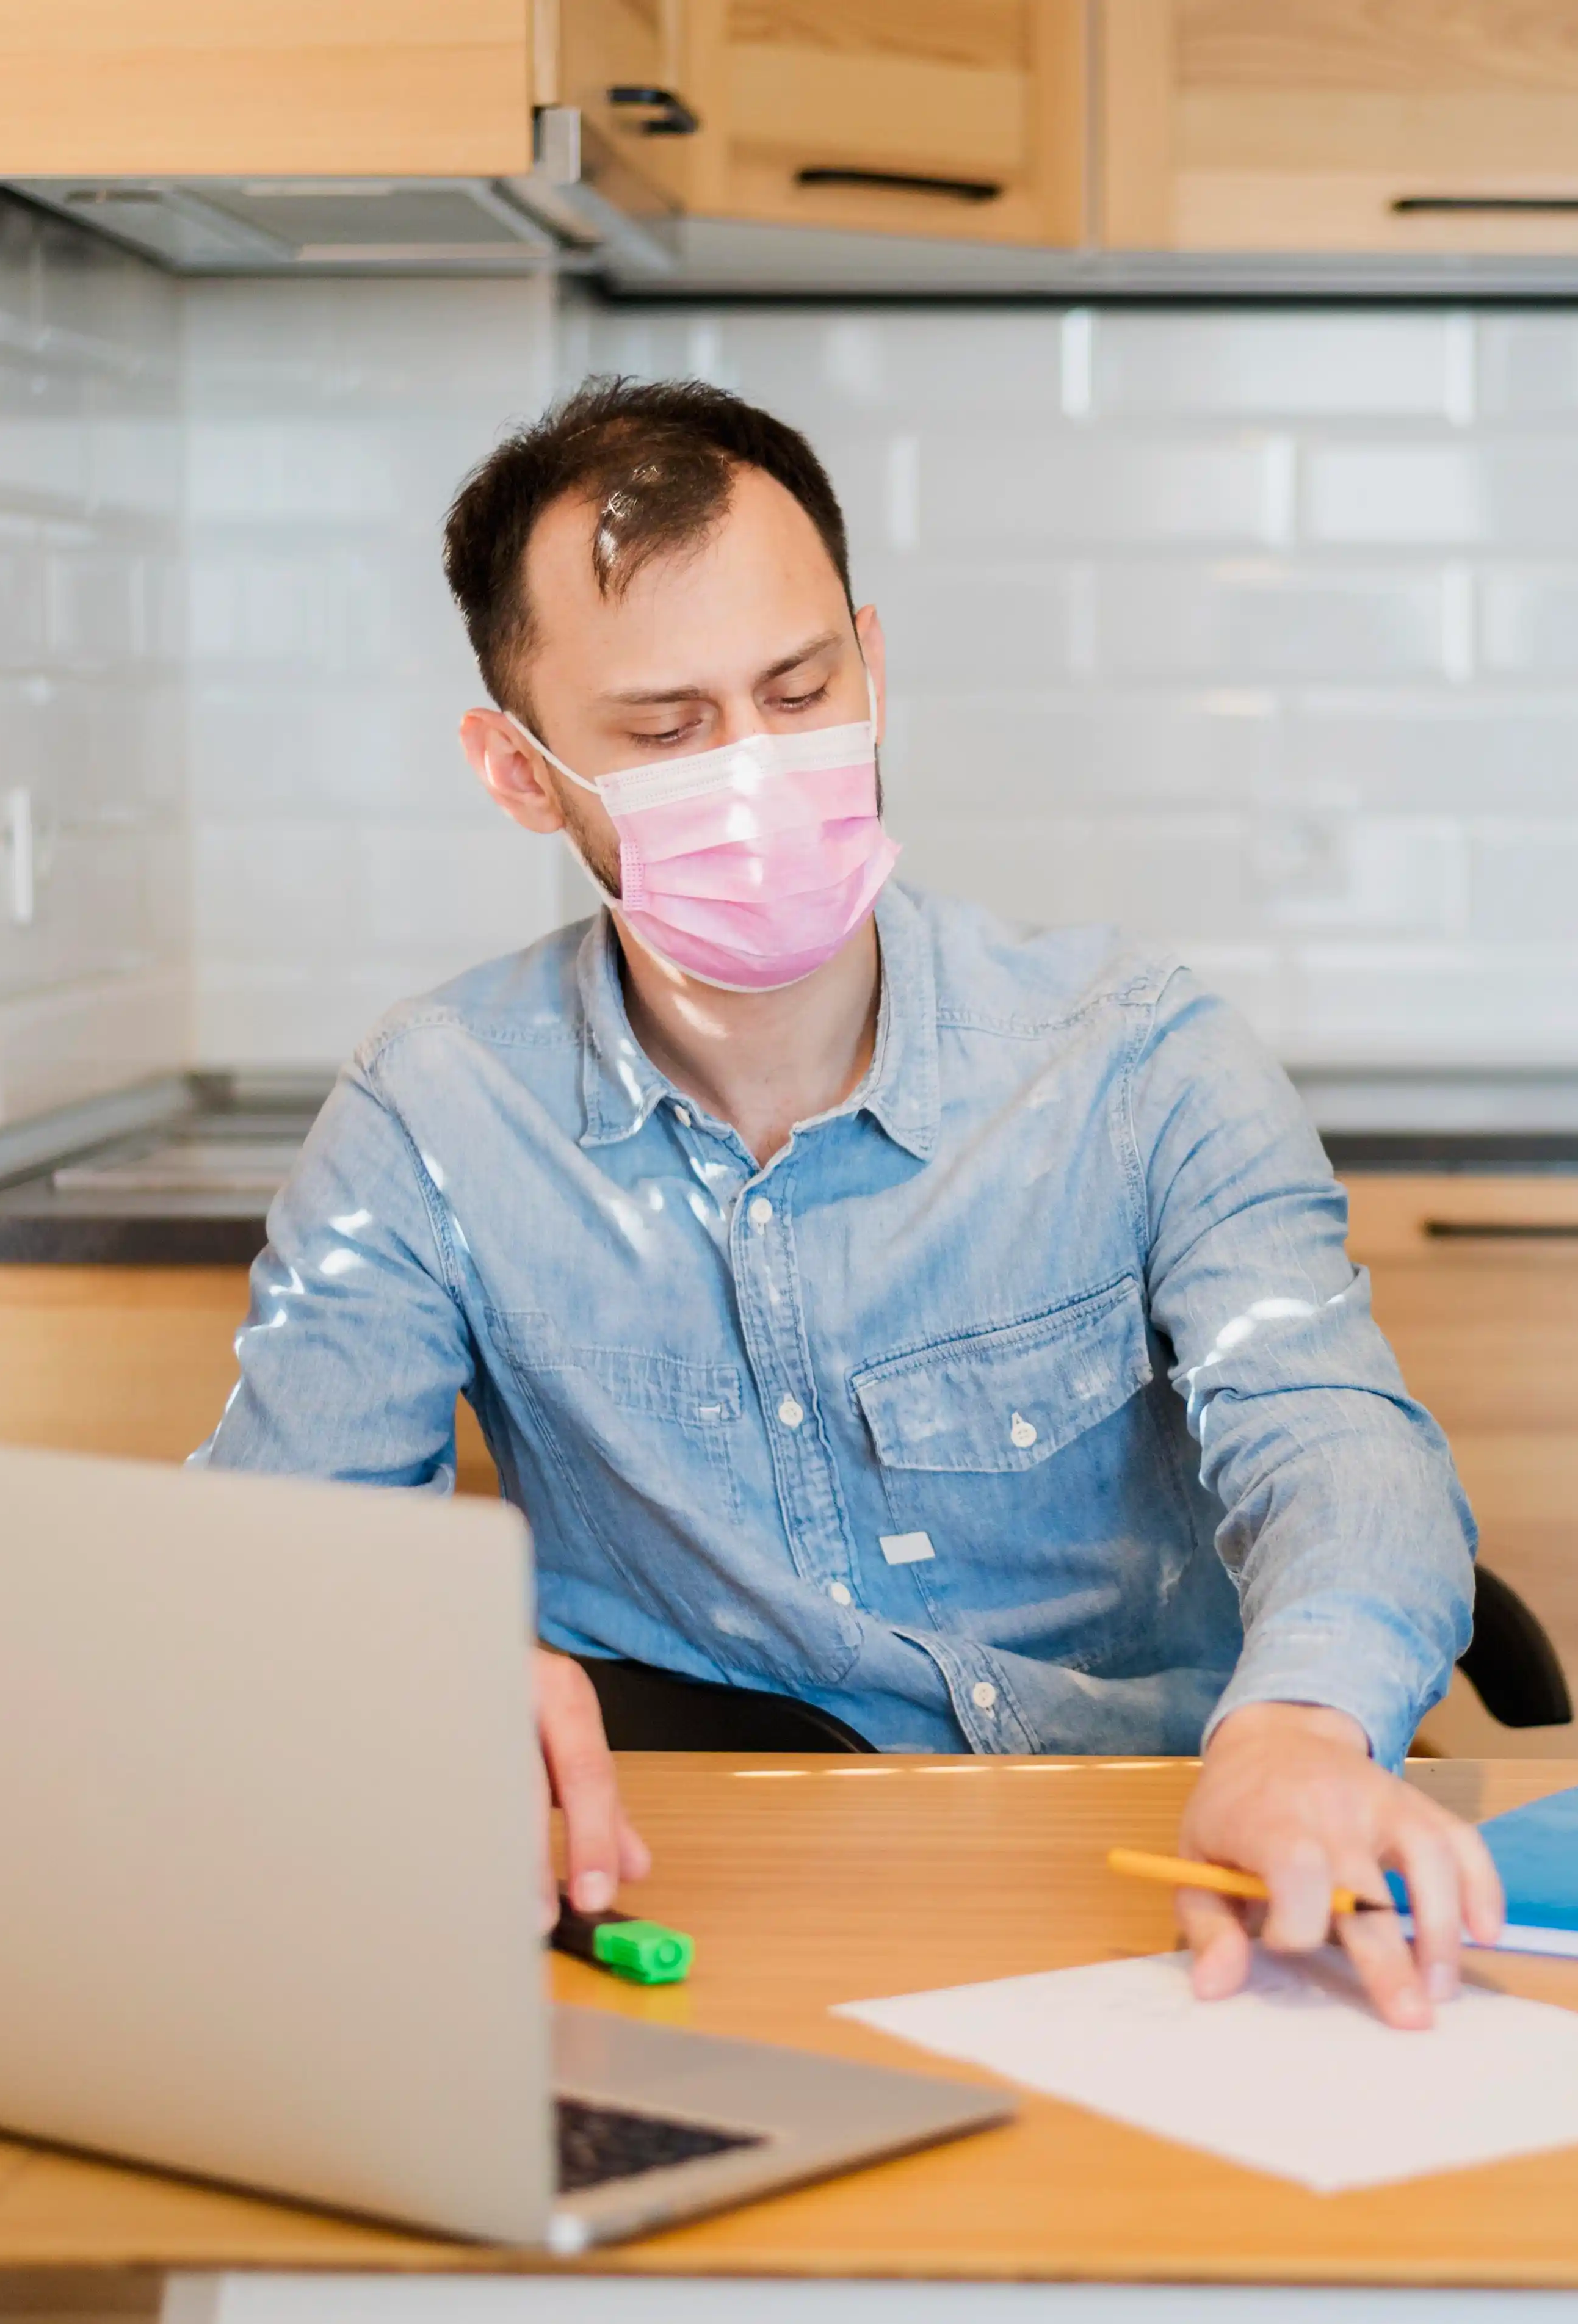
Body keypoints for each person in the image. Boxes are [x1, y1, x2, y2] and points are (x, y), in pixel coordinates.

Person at [195, 380, 1500, 2029]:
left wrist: (1303, 1726)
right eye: (666, 733)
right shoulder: (438, 1111)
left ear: (871, 668)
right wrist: (395, 1666)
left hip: (1160, 1840)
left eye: (800, 691)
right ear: (523, 778)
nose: (756, 772)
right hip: (703, 1870)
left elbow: (1341, 1442)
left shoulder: (1133, 1060)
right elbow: (265, 1559)